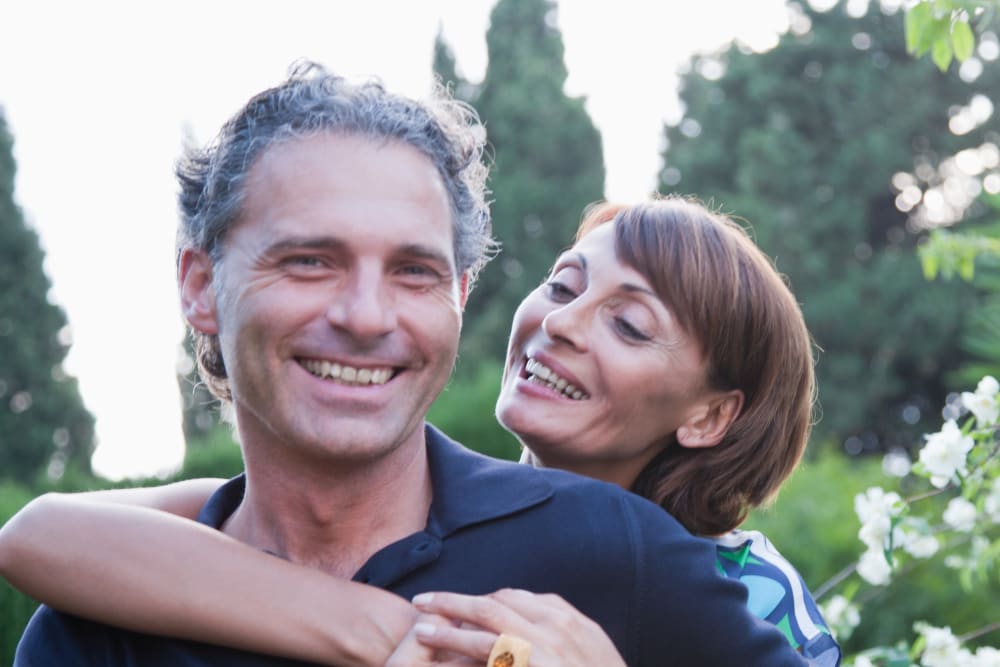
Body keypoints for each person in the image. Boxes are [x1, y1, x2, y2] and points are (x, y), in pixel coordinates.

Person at [1, 62, 820, 666]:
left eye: (413, 270)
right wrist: (382, 626)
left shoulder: (637, 553)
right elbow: (44, 531)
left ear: (459, 295)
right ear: (199, 287)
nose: (364, 315)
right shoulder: (98, 626)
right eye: (309, 260)